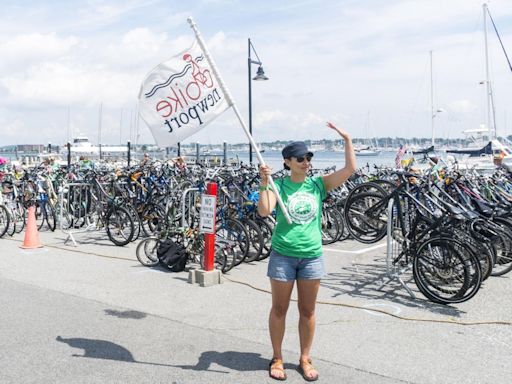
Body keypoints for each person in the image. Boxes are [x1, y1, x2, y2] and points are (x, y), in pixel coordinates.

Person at [258, 121, 356, 381]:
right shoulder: (278, 186)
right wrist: (264, 182)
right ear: (288, 162)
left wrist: (346, 139)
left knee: (308, 311)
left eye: (308, 157)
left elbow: (349, 169)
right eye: (300, 158)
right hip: (283, 255)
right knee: (279, 309)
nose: (306, 161)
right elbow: (265, 210)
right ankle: (277, 357)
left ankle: (304, 358)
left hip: (312, 255)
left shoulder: (317, 185)